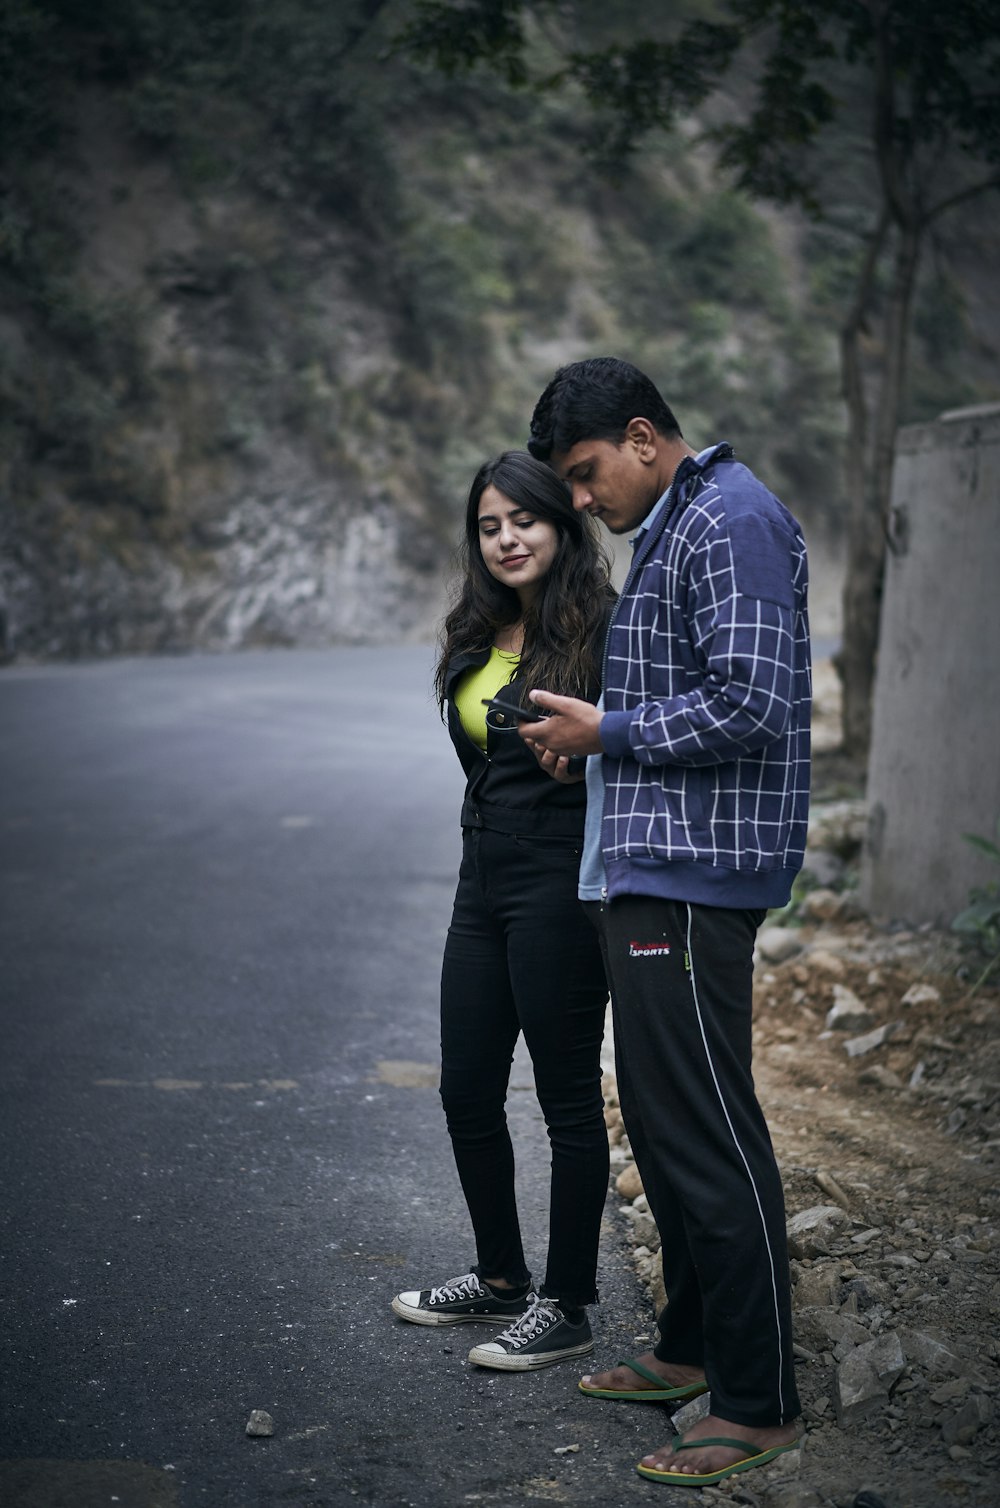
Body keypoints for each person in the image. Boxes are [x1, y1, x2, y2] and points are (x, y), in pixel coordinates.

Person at [519, 357, 810, 1486]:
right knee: (665, 1118)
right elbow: (682, 697)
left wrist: (613, 733)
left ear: (644, 435)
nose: (581, 501)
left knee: (706, 1132)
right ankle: (690, 1349)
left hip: (696, 878)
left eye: (587, 475)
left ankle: (759, 1397)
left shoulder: (728, 517)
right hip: (654, 870)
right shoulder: (680, 521)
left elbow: (755, 699)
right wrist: (592, 736)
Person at [392, 449, 616, 1370]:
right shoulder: (479, 636)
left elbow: (634, 749)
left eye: (522, 519)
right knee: (468, 1090)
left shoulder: (605, 629)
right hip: (480, 877)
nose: (506, 539)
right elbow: (481, 759)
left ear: (561, 525)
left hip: (561, 884)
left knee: (566, 1102)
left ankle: (565, 1303)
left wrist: (590, 759)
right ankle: (498, 1279)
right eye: (488, 526)